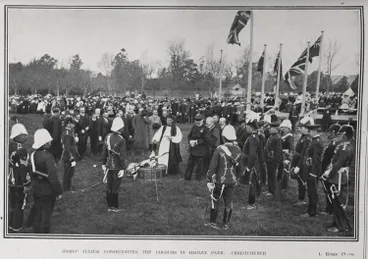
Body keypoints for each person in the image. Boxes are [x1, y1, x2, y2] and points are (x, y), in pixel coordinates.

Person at [205, 125, 242, 230]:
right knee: (229, 202)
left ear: (224, 137)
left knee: (215, 201)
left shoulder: (219, 149)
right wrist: (237, 178)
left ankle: (213, 223)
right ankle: (226, 224)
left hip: (219, 181)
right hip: (232, 181)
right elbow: (240, 167)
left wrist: (208, 179)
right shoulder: (239, 149)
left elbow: (212, 167)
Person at [321, 125, 354, 233]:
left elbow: (337, 164)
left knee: (337, 201)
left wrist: (328, 174)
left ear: (345, 135)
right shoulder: (343, 146)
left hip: (338, 176)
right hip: (336, 175)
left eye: (340, 134)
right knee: (335, 200)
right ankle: (336, 222)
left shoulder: (345, 148)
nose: (338, 136)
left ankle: (339, 226)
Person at [30, 129, 63, 233]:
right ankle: (44, 235)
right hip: (47, 191)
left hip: (36, 188)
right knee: (46, 214)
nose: (50, 142)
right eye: (48, 141)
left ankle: (36, 231)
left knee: (38, 211)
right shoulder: (48, 158)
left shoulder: (33, 154)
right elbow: (53, 179)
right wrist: (59, 192)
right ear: (44, 144)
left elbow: (31, 172)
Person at [298, 118, 324, 217]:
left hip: (313, 171)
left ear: (313, 131)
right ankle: (312, 209)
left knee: (312, 192)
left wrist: (313, 173)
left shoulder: (317, 142)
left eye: (310, 131)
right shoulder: (314, 141)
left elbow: (316, 160)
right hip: (310, 169)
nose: (309, 132)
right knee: (310, 191)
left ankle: (312, 212)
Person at [101, 117, 127, 212]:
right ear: (120, 128)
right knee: (115, 187)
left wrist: (103, 163)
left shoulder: (107, 136)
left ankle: (109, 206)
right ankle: (114, 207)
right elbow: (122, 156)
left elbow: (104, 151)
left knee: (109, 186)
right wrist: (122, 168)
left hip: (108, 165)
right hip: (117, 167)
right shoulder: (121, 140)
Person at [9, 122, 31, 232]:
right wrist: (26, 183)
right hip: (18, 181)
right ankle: (17, 226)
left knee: (12, 202)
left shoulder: (9, 145)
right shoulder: (21, 150)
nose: (26, 136)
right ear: (19, 136)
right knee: (19, 203)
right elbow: (23, 168)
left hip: (10, 179)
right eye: (24, 135)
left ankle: (10, 224)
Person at [241, 115, 264, 209]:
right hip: (256, 163)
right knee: (253, 183)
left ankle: (251, 204)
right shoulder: (257, 136)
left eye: (247, 126)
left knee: (252, 184)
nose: (246, 128)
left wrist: (249, 166)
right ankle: (252, 202)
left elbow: (253, 154)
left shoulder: (252, 138)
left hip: (253, 163)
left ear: (251, 127)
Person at [320, 123, 341, 215]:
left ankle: (330, 210)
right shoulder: (335, 142)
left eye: (330, 131)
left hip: (329, 169)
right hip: (329, 168)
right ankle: (330, 209)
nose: (328, 134)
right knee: (329, 189)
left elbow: (328, 158)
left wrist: (324, 170)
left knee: (329, 189)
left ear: (334, 132)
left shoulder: (334, 143)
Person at [184, 114, 211, 181]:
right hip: (193, 149)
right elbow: (189, 136)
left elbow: (206, 139)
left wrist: (196, 142)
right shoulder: (194, 127)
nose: (197, 123)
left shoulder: (206, 129)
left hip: (201, 151)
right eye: (196, 122)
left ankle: (198, 179)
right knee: (190, 165)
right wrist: (190, 141)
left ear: (202, 121)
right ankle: (187, 178)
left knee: (200, 166)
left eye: (198, 122)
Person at [264, 120, 282, 196]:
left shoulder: (277, 138)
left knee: (272, 175)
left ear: (276, 129)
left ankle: (272, 190)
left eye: (271, 128)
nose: (269, 129)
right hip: (269, 158)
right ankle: (269, 189)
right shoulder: (272, 136)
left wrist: (277, 161)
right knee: (270, 174)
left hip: (272, 159)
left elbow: (278, 151)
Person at [61, 117, 77, 192]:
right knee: (68, 172)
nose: (73, 125)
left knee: (70, 171)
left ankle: (67, 186)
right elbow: (67, 147)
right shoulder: (67, 133)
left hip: (70, 154)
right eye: (72, 123)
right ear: (69, 124)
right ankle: (67, 187)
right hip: (68, 156)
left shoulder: (69, 131)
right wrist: (70, 156)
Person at [279, 119, 294, 192]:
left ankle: (284, 187)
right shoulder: (283, 135)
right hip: (281, 154)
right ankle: (280, 183)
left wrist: (289, 158)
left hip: (286, 155)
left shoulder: (289, 137)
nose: (282, 129)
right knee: (281, 169)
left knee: (285, 171)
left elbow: (291, 148)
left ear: (288, 128)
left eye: (284, 128)